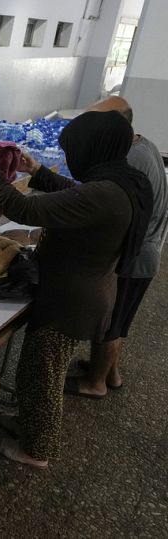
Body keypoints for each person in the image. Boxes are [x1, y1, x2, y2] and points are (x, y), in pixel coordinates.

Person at [0, 111, 152, 468]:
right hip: (86, 290)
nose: (72, 157)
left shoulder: (107, 193)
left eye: (73, 149)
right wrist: (39, 173)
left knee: (42, 375)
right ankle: (29, 424)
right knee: (36, 369)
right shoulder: (125, 180)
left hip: (73, 300)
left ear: (92, 148)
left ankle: (37, 451)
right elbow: (79, 195)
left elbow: (23, 207)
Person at [65, 96, 168, 398]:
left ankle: (95, 383)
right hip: (145, 250)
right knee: (119, 320)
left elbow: (102, 204)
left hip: (135, 256)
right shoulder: (142, 145)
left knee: (111, 323)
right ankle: (110, 374)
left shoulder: (130, 160)